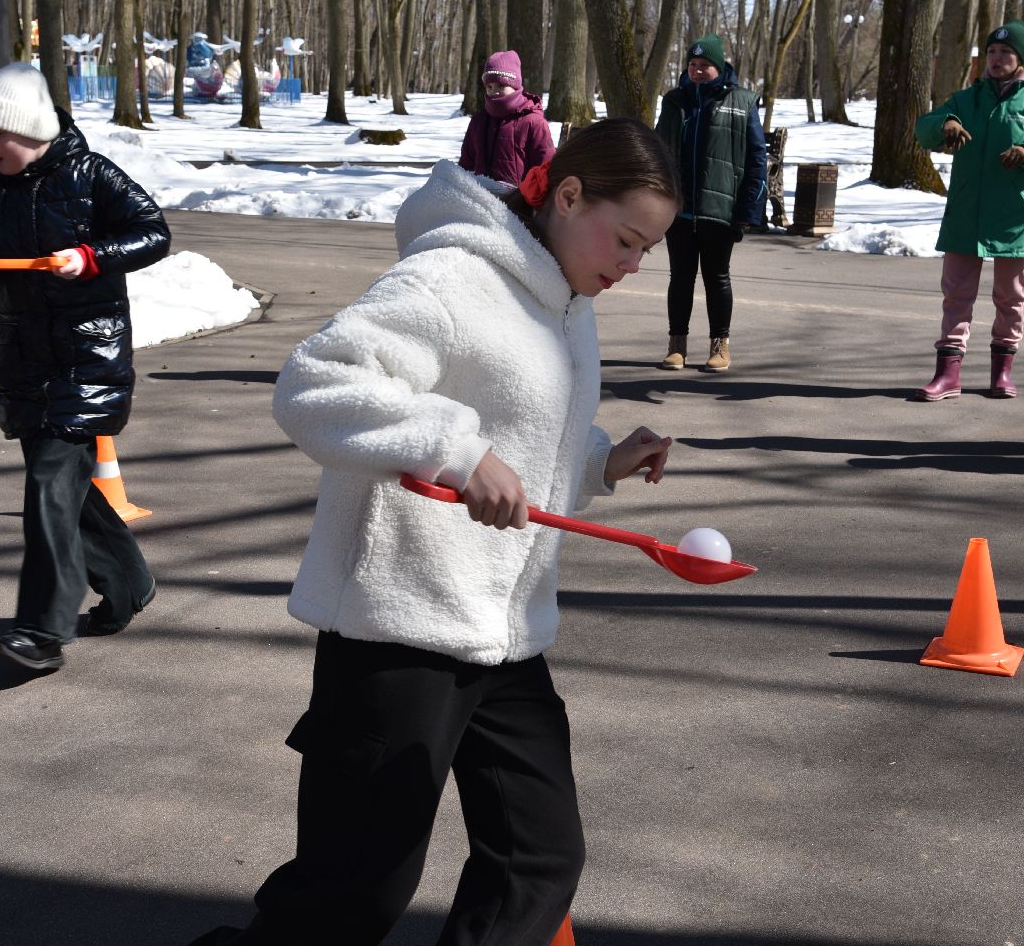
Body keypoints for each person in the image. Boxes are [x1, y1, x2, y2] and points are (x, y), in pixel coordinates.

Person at [189, 119, 678, 945]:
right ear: (566, 195)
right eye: (626, 240)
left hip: (504, 637)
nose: (631, 268)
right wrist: (454, 451)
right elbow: (315, 385)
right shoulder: (453, 278)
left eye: (646, 253)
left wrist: (601, 463)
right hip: (399, 633)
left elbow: (521, 436)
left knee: (540, 860)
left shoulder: (566, 298)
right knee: (352, 896)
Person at [0, 62, 170, 670]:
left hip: (86, 357)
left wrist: (91, 256)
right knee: (65, 492)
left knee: (48, 487)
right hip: (23, 357)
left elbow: (154, 233)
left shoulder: (91, 174)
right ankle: (128, 583)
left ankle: (41, 633)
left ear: (31, 131)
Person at [913, 20, 1024, 400]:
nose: (996, 60)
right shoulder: (967, 99)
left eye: (1006, 54)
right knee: (956, 295)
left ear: (1022, 59)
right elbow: (924, 128)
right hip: (967, 212)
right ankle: (947, 375)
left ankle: (1002, 374)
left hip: (1014, 216)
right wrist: (944, 123)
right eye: (991, 54)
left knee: (1010, 297)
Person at [652, 33, 767, 373]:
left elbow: (756, 158)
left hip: (721, 210)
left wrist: (748, 210)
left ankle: (720, 344)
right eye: (693, 65)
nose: (698, 71)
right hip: (680, 209)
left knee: (717, 278)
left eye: (705, 66)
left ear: (719, 67)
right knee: (680, 278)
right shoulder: (675, 101)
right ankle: (677, 344)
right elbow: (658, 150)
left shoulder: (742, 101)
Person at [457, 49, 556, 186]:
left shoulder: (533, 122)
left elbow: (544, 169)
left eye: (501, 85)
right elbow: (465, 166)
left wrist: (530, 201)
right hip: (478, 200)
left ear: (515, 86)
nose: (494, 92)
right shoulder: (478, 121)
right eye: (489, 87)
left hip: (519, 202)